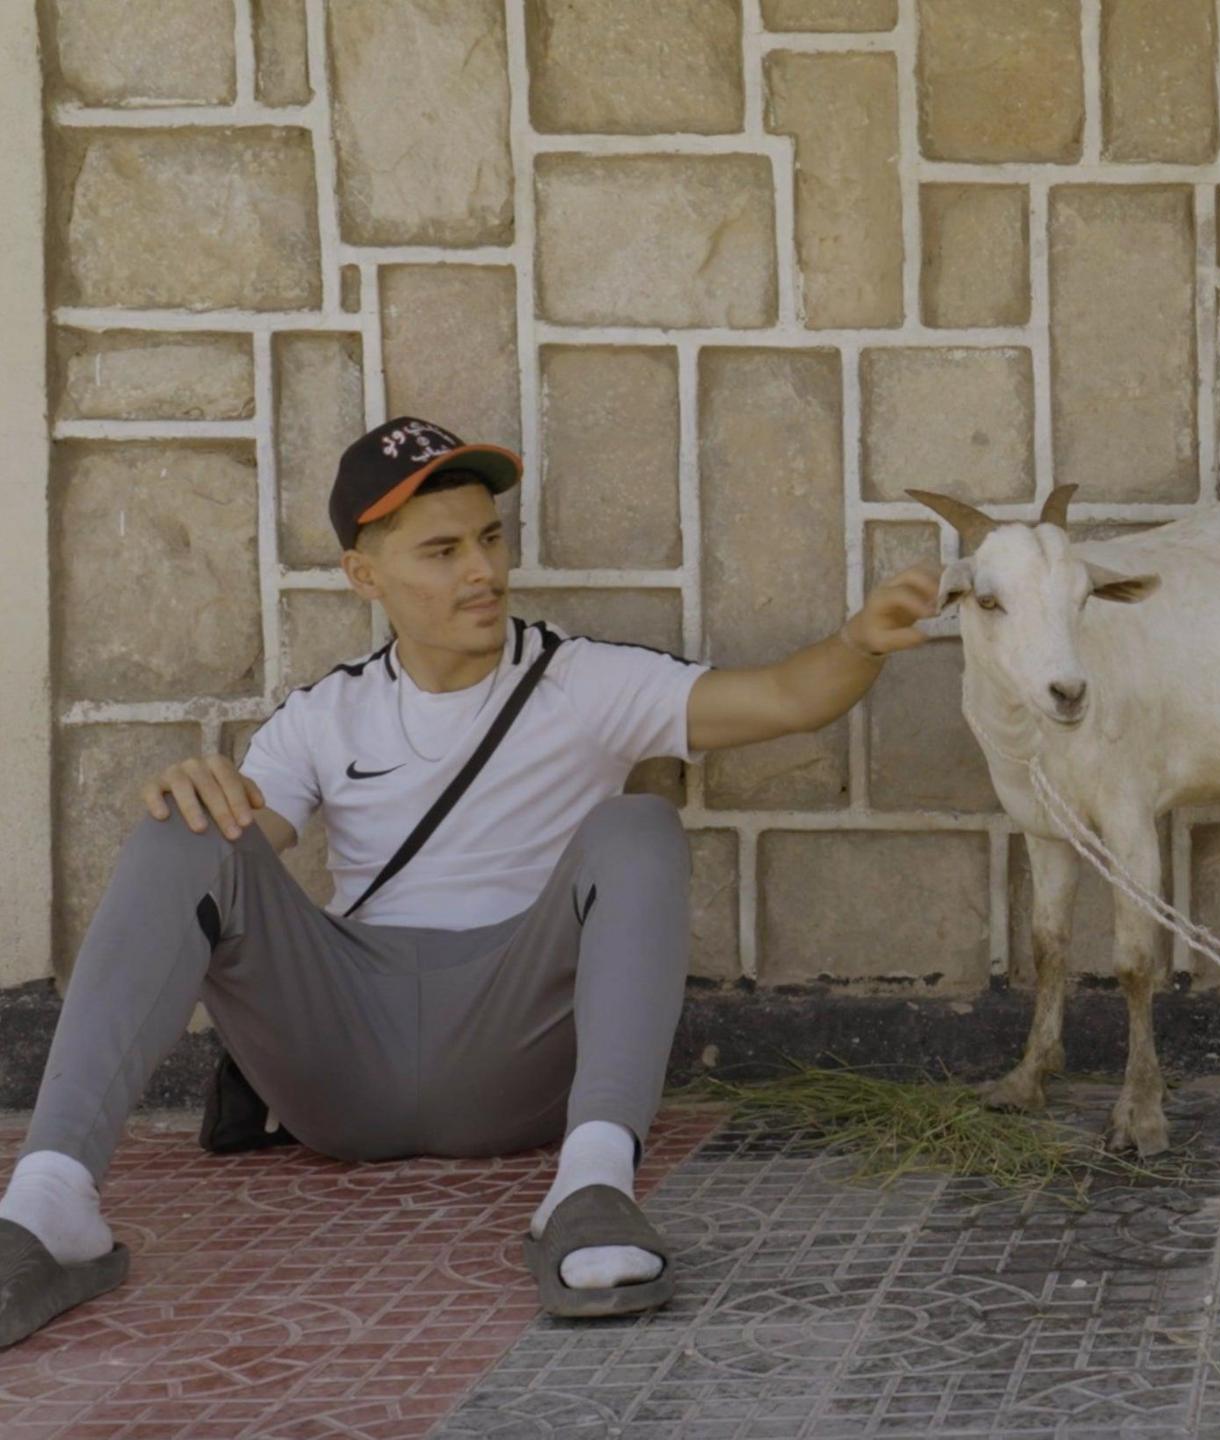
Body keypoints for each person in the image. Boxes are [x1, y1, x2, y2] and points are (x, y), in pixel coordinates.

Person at [1, 416, 942, 1345]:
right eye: (442, 552)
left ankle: (592, 1190)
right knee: (185, 827)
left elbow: (783, 696)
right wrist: (194, 788)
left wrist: (859, 640)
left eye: (490, 539)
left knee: (637, 824)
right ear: (365, 576)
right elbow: (241, 844)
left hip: (511, 1041)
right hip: (342, 1053)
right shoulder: (325, 715)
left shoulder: (582, 682)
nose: (482, 572)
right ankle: (51, 1205)